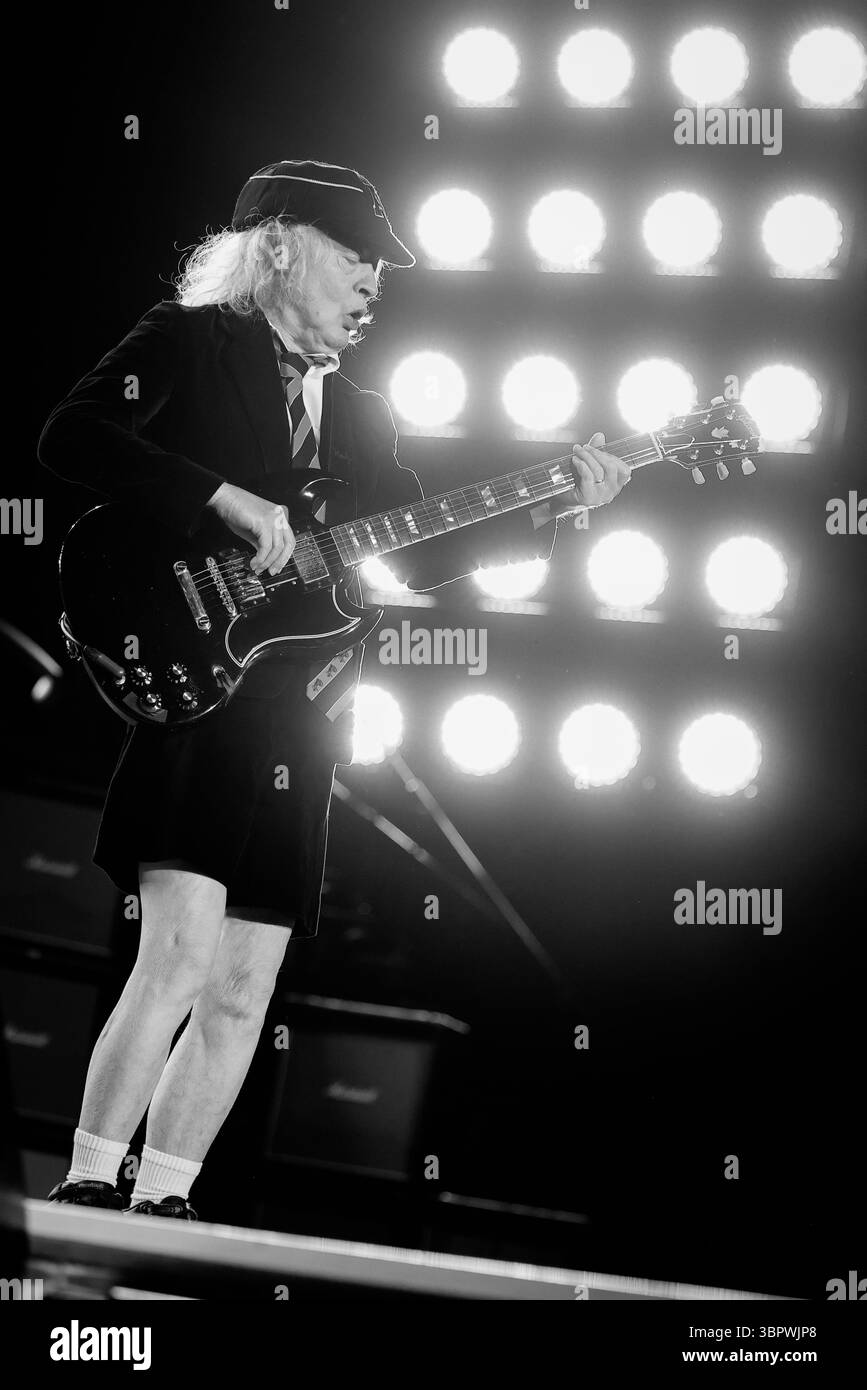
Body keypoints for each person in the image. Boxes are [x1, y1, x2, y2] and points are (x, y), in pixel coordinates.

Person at [37, 160, 630, 1220]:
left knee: (244, 981)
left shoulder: (356, 409)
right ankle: (85, 1183)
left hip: (298, 715)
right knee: (173, 951)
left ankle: (164, 1201)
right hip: (197, 683)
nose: (372, 288)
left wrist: (556, 502)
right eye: (356, 260)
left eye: (380, 273)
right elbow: (69, 437)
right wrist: (222, 500)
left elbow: (422, 544)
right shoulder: (188, 340)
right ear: (278, 245)